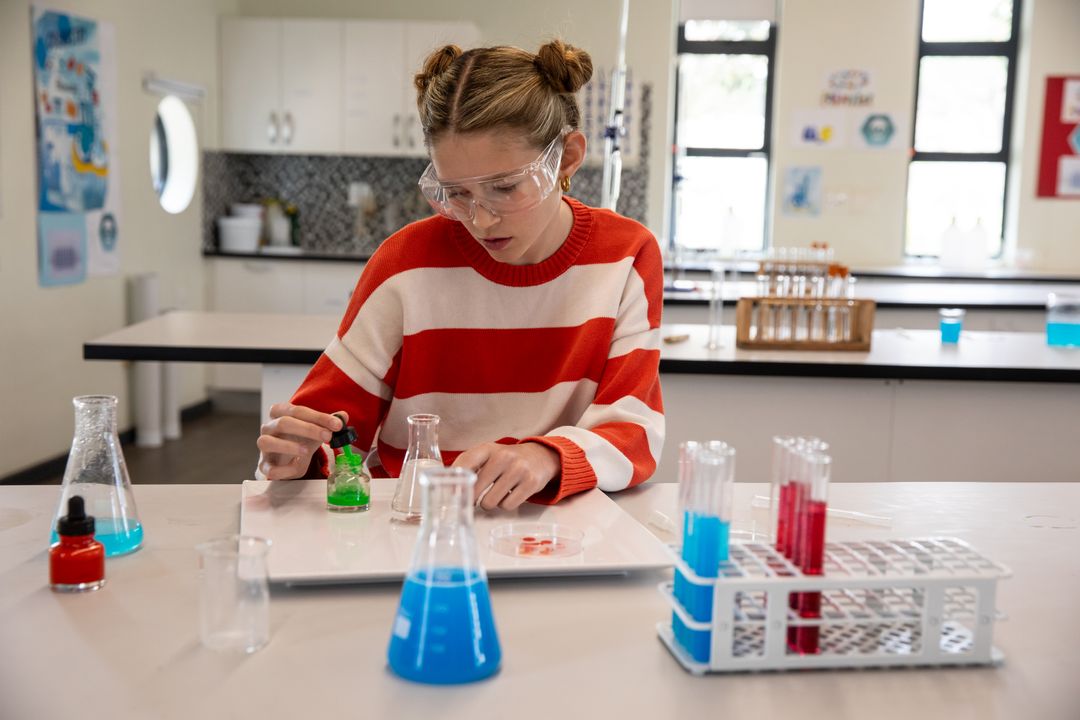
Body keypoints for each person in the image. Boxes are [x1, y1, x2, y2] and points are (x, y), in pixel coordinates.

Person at [256, 40, 664, 511]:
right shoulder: (405, 263)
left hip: (560, 530)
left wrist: (545, 456)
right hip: (417, 524)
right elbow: (330, 429)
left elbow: (635, 433)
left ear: (567, 158)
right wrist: (299, 455)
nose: (480, 219)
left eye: (505, 187)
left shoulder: (626, 256)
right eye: (455, 193)